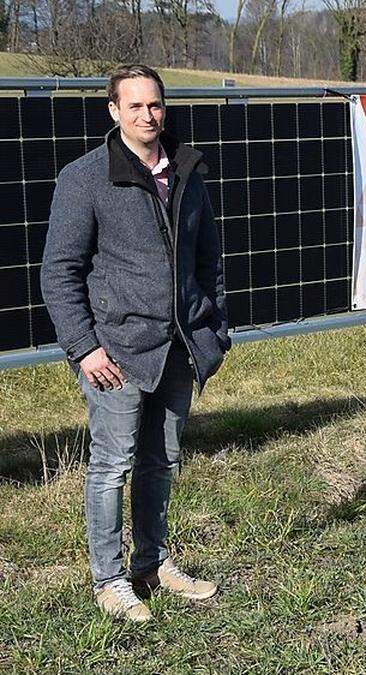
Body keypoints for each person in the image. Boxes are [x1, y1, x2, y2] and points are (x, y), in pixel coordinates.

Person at [41, 64, 230, 622]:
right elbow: (60, 271)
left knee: (162, 460)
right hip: (115, 352)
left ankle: (152, 562)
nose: (149, 116)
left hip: (178, 344)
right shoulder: (86, 177)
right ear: (113, 112)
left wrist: (212, 328)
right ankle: (109, 579)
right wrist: (84, 346)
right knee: (111, 464)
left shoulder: (186, 170)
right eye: (136, 106)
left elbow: (208, 259)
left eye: (156, 105)